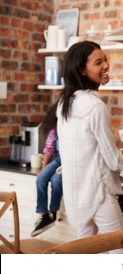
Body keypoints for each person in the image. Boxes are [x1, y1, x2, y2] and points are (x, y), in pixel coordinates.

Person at [56, 41, 123, 249]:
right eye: (98, 62)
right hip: (98, 195)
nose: (106, 65)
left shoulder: (64, 104)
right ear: (82, 70)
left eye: (106, 59)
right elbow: (114, 160)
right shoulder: (96, 107)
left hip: (75, 196)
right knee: (122, 251)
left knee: (83, 253)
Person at [31, 101, 62, 237]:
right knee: (41, 180)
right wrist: (43, 169)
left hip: (68, 162)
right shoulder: (54, 130)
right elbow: (48, 150)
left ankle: (53, 213)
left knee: (56, 181)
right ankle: (43, 214)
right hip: (58, 159)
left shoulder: (71, 128)